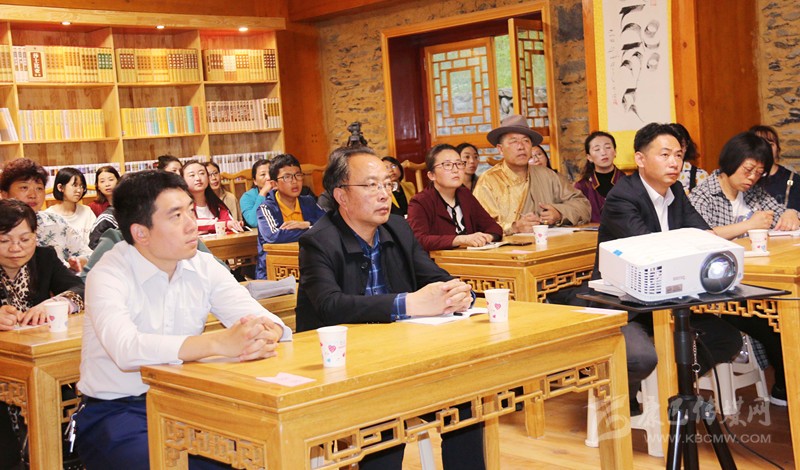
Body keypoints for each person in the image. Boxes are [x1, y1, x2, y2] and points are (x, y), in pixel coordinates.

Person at [74, 170, 291, 470]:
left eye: (190, 210)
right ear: (141, 233)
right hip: (118, 411)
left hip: (190, 402)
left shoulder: (202, 265)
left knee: (273, 450)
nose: (192, 224)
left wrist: (268, 333)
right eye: (176, 216)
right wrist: (216, 343)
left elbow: (259, 317)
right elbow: (126, 349)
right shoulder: (109, 273)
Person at [295, 146, 484, 470]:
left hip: (401, 360)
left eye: (387, 184)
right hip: (343, 370)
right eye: (371, 185)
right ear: (341, 195)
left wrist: (460, 291)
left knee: (466, 401)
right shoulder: (318, 240)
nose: (384, 194)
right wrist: (408, 303)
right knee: (382, 421)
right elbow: (330, 305)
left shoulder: (398, 227)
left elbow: (433, 276)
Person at [597, 122, 743, 414]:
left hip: (669, 298)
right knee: (640, 358)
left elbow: (702, 235)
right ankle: (628, 396)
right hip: (627, 303)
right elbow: (650, 251)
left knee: (728, 339)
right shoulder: (622, 196)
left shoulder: (675, 189)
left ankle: (671, 387)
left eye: (678, 155)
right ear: (640, 159)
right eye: (664, 155)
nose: (674, 162)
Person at [688, 131, 797, 406]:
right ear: (731, 161)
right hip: (719, 289)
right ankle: (786, 388)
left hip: (757, 278)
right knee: (777, 321)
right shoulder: (705, 194)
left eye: (759, 173)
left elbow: (779, 215)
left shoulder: (754, 192)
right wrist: (748, 225)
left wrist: (791, 212)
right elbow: (698, 237)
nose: (752, 178)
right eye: (748, 170)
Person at [0, 199, 84, 469]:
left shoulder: (44, 258)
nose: (16, 248)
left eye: (25, 239)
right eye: (4, 241)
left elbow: (79, 289)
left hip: (40, 361)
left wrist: (57, 303)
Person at [474, 114, 590, 235]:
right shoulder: (488, 181)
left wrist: (559, 213)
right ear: (500, 149)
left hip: (549, 243)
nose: (521, 147)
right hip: (510, 246)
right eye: (513, 141)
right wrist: (514, 227)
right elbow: (479, 225)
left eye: (526, 141)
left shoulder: (547, 175)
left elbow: (582, 205)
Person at [0, 158, 91, 273]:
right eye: (24, 187)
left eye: (39, 188)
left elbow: (88, 254)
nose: (33, 195)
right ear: (4, 194)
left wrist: (80, 261)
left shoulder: (55, 221)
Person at [407, 144, 502, 251]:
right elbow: (418, 240)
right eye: (447, 165)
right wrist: (460, 239)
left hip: (469, 257)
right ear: (432, 175)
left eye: (459, 164)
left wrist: (487, 237)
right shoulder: (420, 202)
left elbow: (493, 227)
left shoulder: (465, 195)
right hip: (437, 260)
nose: (455, 170)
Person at [255, 154, 325, 279]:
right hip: (275, 272)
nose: (294, 181)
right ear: (274, 184)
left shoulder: (308, 201)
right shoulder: (266, 208)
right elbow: (274, 236)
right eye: (287, 177)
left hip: (310, 267)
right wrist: (312, 230)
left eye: (298, 175)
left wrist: (307, 224)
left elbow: (329, 223)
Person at [181, 160, 242, 235]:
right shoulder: (182, 206)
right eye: (192, 175)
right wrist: (223, 224)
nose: (198, 178)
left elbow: (230, 222)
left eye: (202, 173)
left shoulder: (216, 203)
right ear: (183, 180)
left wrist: (236, 225)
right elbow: (193, 223)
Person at [574, 131, 623, 222]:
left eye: (608, 147)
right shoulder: (582, 186)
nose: (603, 152)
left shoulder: (628, 182)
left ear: (615, 152)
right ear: (589, 157)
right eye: (597, 149)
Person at [751, 124, 800, 211]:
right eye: (760, 143)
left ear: (777, 148)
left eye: (770, 144)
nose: (765, 148)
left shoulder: (793, 179)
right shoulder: (744, 178)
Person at [46, 167, 97, 245]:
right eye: (75, 185)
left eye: (82, 186)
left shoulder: (87, 211)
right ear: (60, 187)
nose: (79, 190)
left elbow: (96, 239)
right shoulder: (49, 216)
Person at [671, 123, 709, 195]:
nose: (677, 150)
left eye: (681, 145)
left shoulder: (699, 176)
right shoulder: (656, 174)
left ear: (686, 146)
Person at [240, 158, 272, 228]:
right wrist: (263, 192)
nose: (268, 177)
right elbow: (253, 222)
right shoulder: (247, 197)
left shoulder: (281, 192)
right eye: (263, 174)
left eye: (271, 173)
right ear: (255, 181)